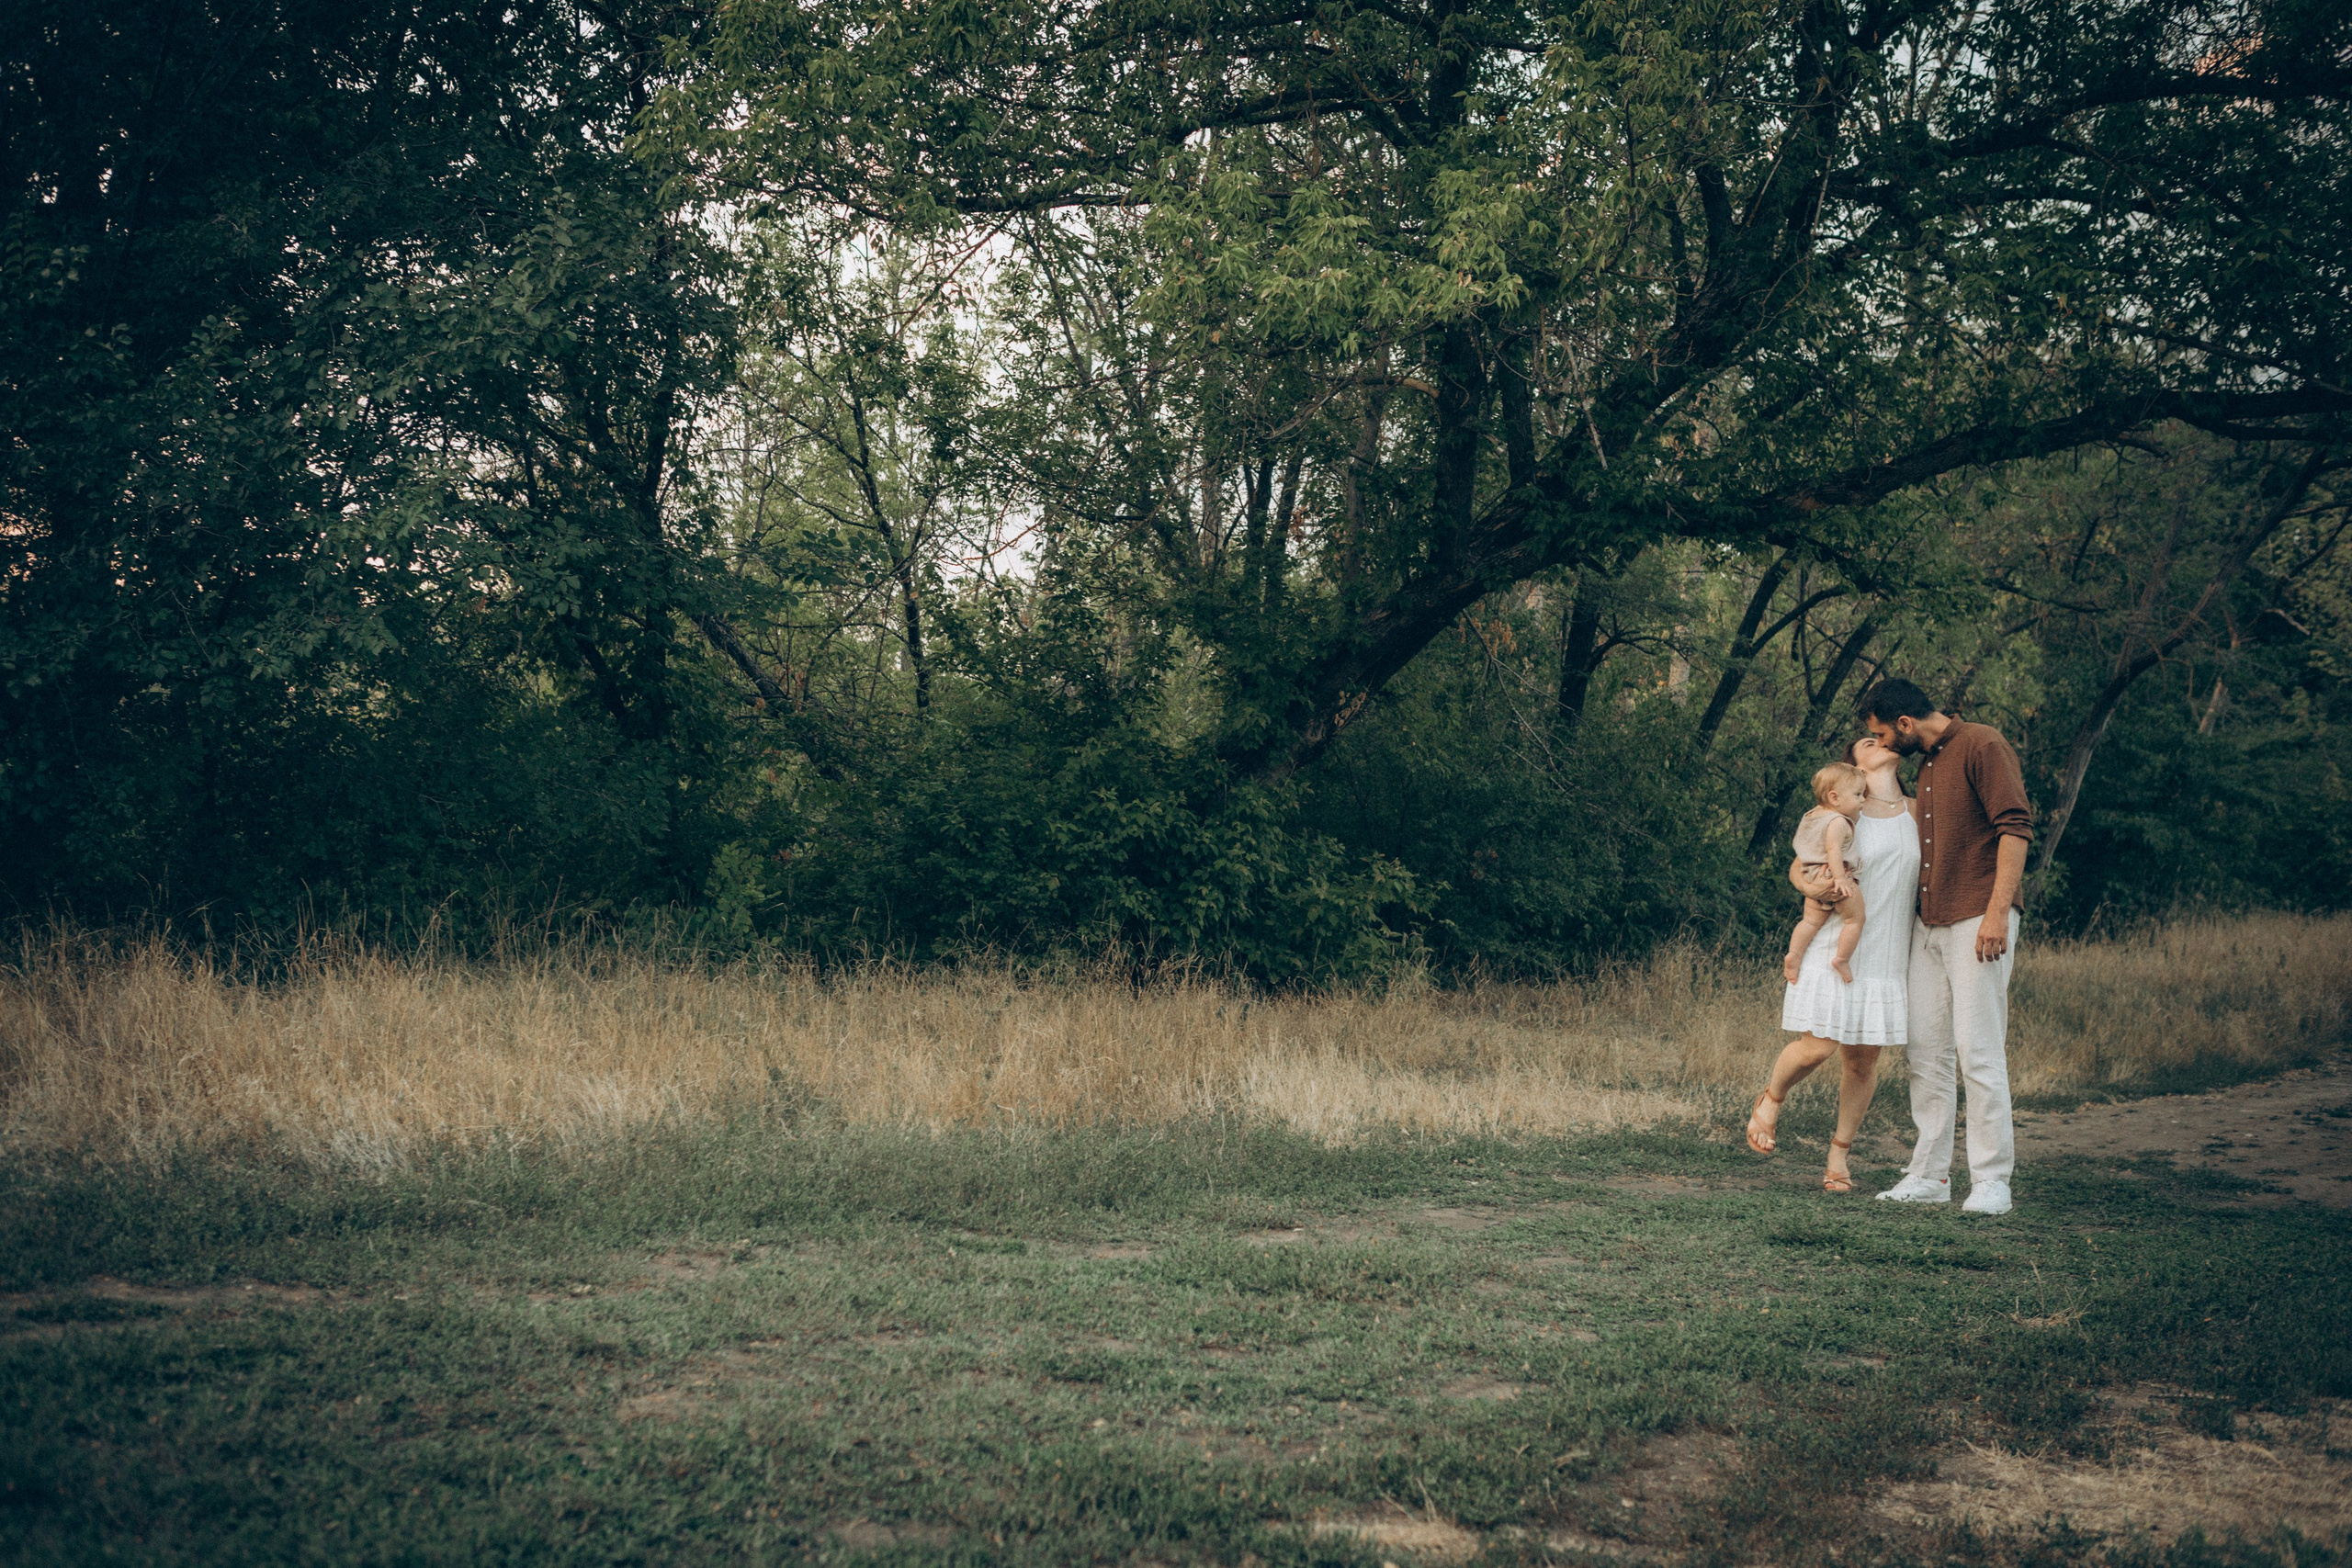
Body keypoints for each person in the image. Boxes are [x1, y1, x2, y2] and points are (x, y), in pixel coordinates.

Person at [1859, 678, 2033, 1216]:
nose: (1885, 744)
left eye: (1884, 734)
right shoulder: (1927, 763)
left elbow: (2016, 828)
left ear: (1905, 723)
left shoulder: (1983, 744)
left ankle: (1991, 1181)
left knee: (1977, 1050)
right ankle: (1930, 1175)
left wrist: (1997, 914)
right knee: (1925, 1053)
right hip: (1928, 922)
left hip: (1978, 918)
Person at [1746, 734, 1920, 1194]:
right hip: (1835, 940)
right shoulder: (1841, 812)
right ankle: (1771, 1098)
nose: (1884, 741)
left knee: (1863, 1061)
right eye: (1871, 739)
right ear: (1853, 763)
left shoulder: (1918, 811)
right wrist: (1808, 886)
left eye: (1888, 735)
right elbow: (1801, 863)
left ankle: (1838, 1157)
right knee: (1818, 1046)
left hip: (1885, 948)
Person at [1784, 761, 1869, 986]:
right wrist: (1841, 879)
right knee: (1855, 920)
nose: (1863, 800)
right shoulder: (1838, 822)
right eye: (1858, 794)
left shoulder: (1812, 815)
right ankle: (1842, 959)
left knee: (1810, 922)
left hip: (1812, 874)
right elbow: (1833, 850)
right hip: (1835, 877)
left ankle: (1794, 954)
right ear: (1834, 798)